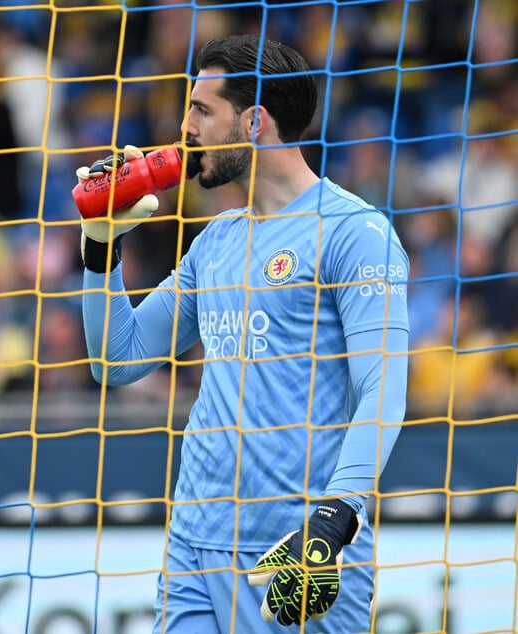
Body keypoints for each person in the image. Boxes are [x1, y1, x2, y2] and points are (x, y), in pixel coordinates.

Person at [76, 35, 409, 632]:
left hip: (296, 553)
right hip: (194, 545)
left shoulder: (354, 232)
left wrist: (336, 519)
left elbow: (383, 390)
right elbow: (115, 361)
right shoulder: (218, 239)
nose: (184, 128)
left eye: (202, 110)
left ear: (254, 121)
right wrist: (103, 245)